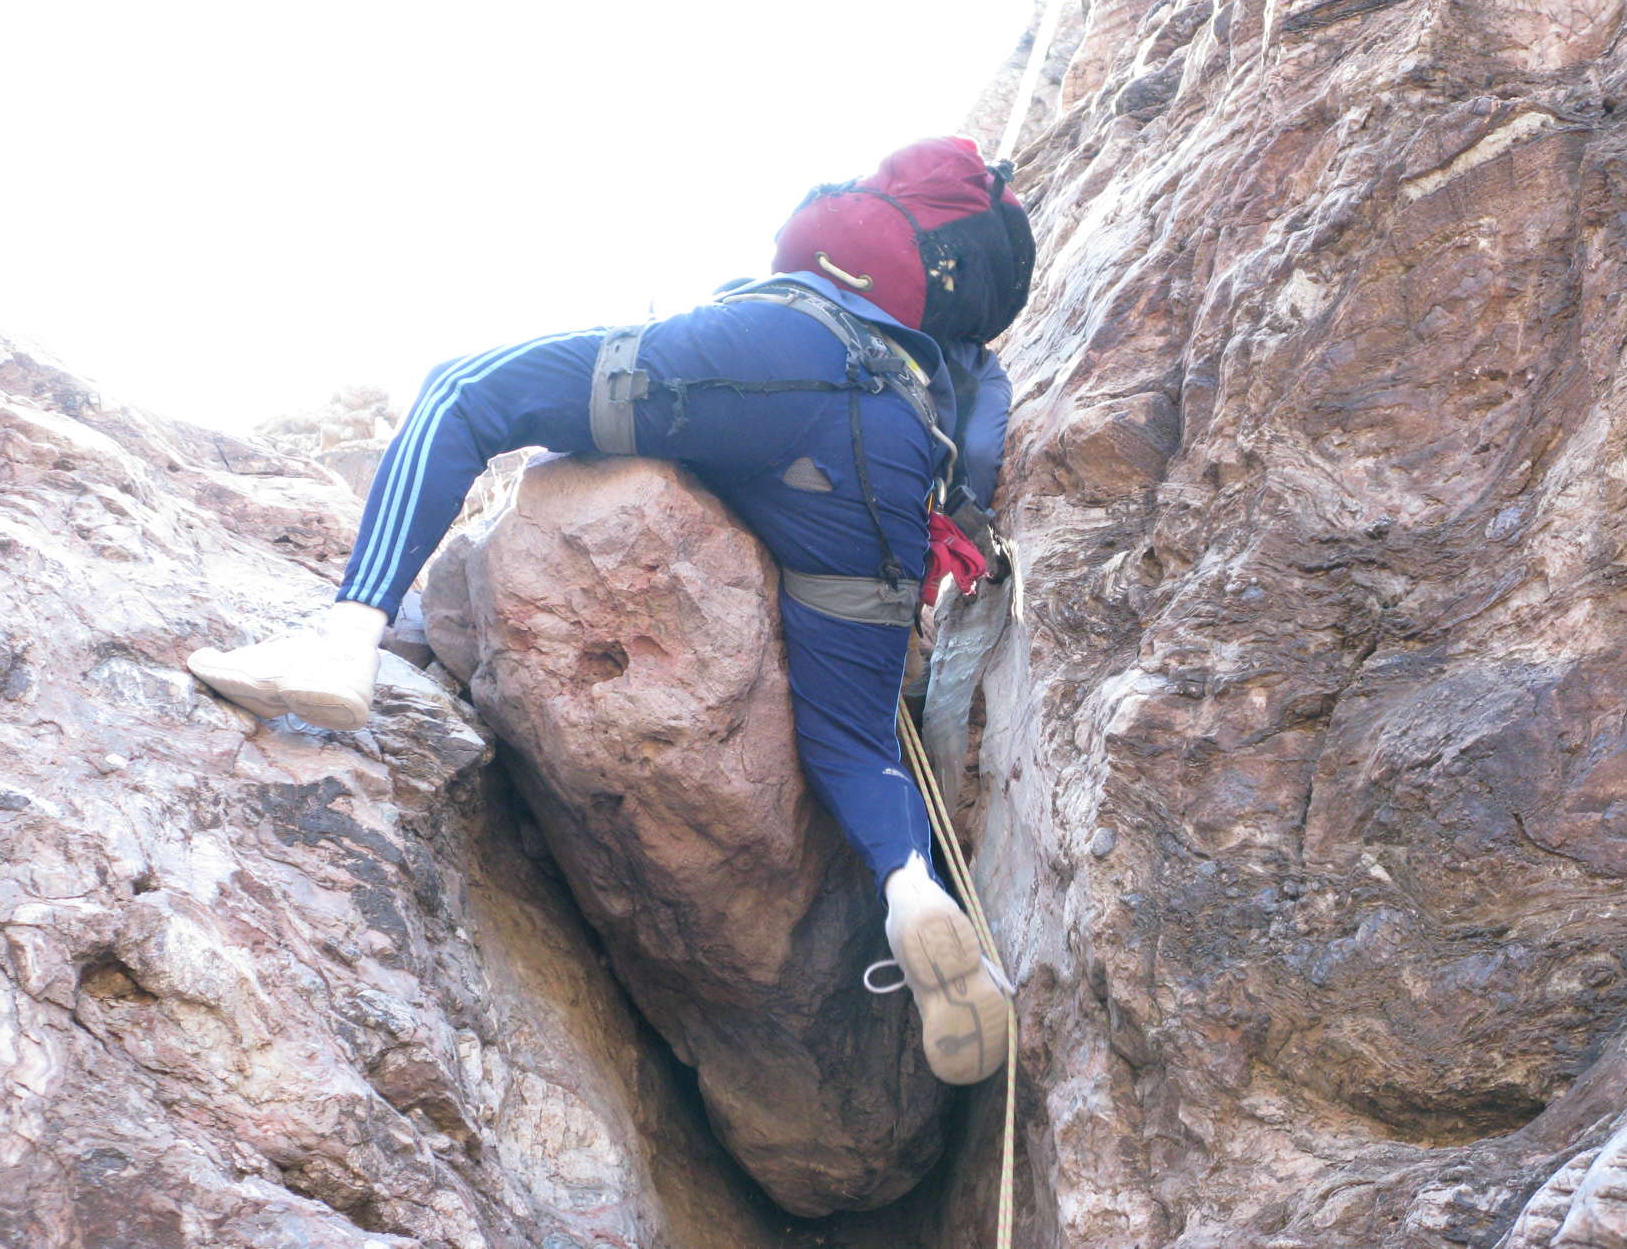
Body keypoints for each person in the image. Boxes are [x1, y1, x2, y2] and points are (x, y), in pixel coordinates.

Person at [188, 136, 1034, 1086]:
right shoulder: (968, 365)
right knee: (856, 741)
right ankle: (911, 885)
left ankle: (345, 637)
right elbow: (976, 469)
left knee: (466, 393)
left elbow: (798, 239)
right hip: (890, 449)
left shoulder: (860, 242)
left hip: (779, 352)